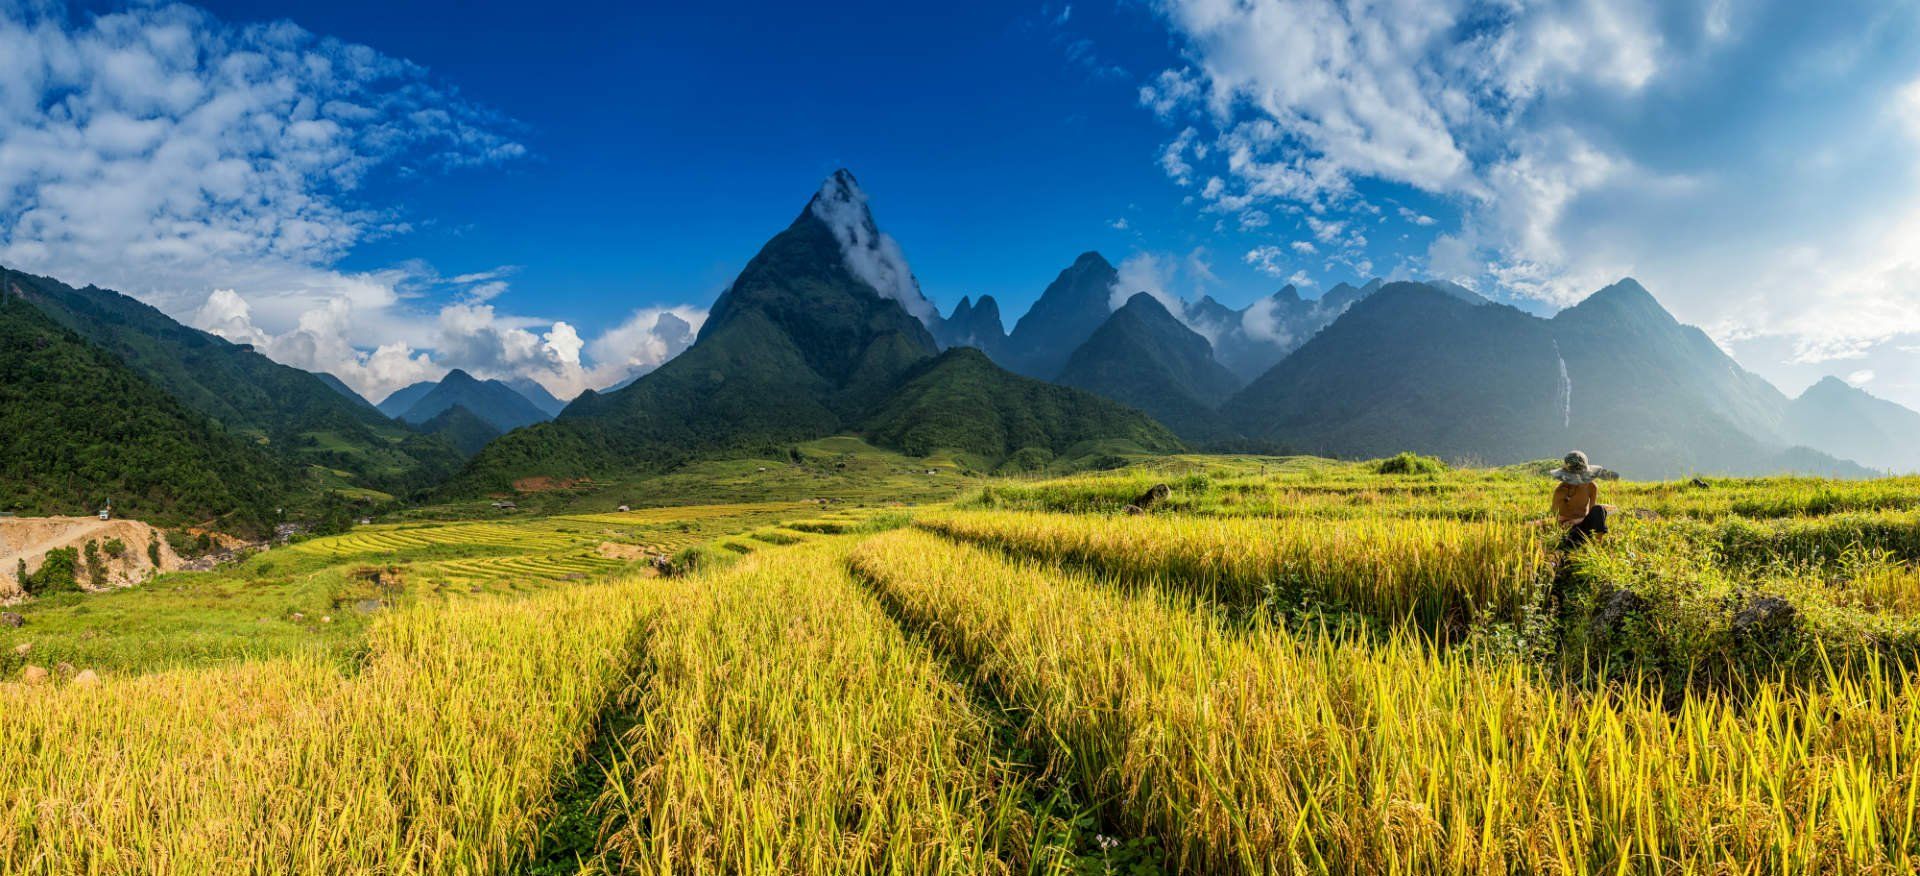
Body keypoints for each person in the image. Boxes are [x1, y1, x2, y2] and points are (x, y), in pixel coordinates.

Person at [1550, 450, 1610, 549]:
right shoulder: (1560, 491)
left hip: (1583, 524)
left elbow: (1591, 512)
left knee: (1599, 509)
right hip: (1569, 530)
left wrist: (1577, 521)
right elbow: (1555, 518)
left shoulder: (1591, 487)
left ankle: (1597, 548)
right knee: (1570, 541)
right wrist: (1566, 523)